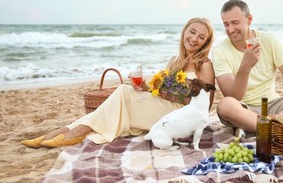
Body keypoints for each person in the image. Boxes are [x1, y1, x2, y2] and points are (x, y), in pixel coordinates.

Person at [22, 17, 215, 148]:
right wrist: (146, 88)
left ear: (206, 42)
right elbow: (161, 90)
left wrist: (169, 94)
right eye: (192, 32)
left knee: (123, 93)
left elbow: (202, 108)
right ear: (184, 32)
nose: (194, 39)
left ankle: (74, 131)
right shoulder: (175, 61)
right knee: (127, 90)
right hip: (164, 107)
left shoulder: (204, 65)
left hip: (180, 118)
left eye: (201, 37)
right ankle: (67, 130)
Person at [212, 0, 283, 135]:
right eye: (226, 24)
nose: (230, 29)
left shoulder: (269, 40)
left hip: (274, 105)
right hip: (244, 110)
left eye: (235, 23)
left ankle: (260, 127)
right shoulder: (220, 52)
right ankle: (277, 130)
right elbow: (233, 96)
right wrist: (245, 67)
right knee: (225, 105)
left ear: (249, 19)